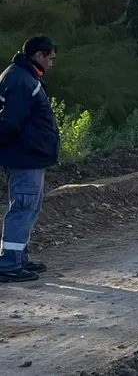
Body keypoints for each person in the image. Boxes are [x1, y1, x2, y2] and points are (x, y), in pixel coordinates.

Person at [0, 36, 60, 283]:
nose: (51, 64)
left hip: (29, 156)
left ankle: (19, 259)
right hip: (24, 157)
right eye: (50, 59)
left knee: (29, 208)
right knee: (23, 207)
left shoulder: (23, 76)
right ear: (39, 56)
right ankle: (8, 265)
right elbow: (11, 123)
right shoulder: (22, 80)